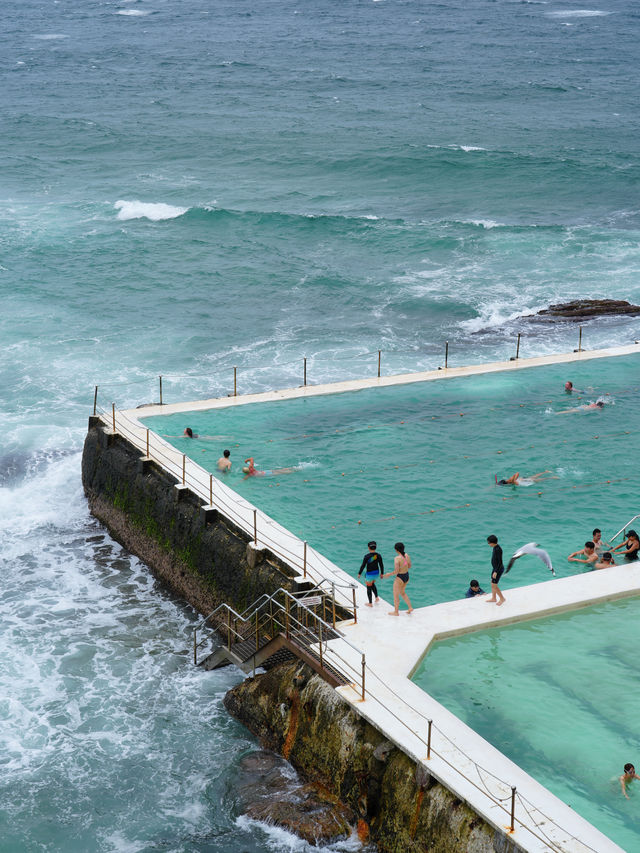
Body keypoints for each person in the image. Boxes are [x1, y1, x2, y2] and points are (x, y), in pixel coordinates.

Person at [383, 542, 413, 615]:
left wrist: (388, 574)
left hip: (400, 577)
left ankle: (396, 612)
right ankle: (410, 607)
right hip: (406, 576)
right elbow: (409, 566)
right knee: (402, 592)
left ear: (396, 550)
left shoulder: (397, 558)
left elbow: (396, 572)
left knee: (396, 595)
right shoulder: (407, 555)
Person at [358, 541, 384, 607]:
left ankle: (370, 603)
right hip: (376, 573)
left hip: (370, 574)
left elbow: (363, 565)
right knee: (372, 584)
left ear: (368, 548)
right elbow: (381, 565)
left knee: (369, 587)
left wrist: (359, 573)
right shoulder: (378, 555)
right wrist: (382, 573)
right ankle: (377, 597)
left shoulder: (367, 556)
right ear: (375, 547)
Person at [486, 535, 505, 606]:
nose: (488, 544)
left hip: (498, 569)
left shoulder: (498, 549)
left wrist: (496, 572)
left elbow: (500, 562)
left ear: (492, 543)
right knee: (492, 583)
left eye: (489, 542)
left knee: (494, 585)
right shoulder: (494, 547)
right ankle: (494, 598)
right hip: (495, 569)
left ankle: (502, 599)